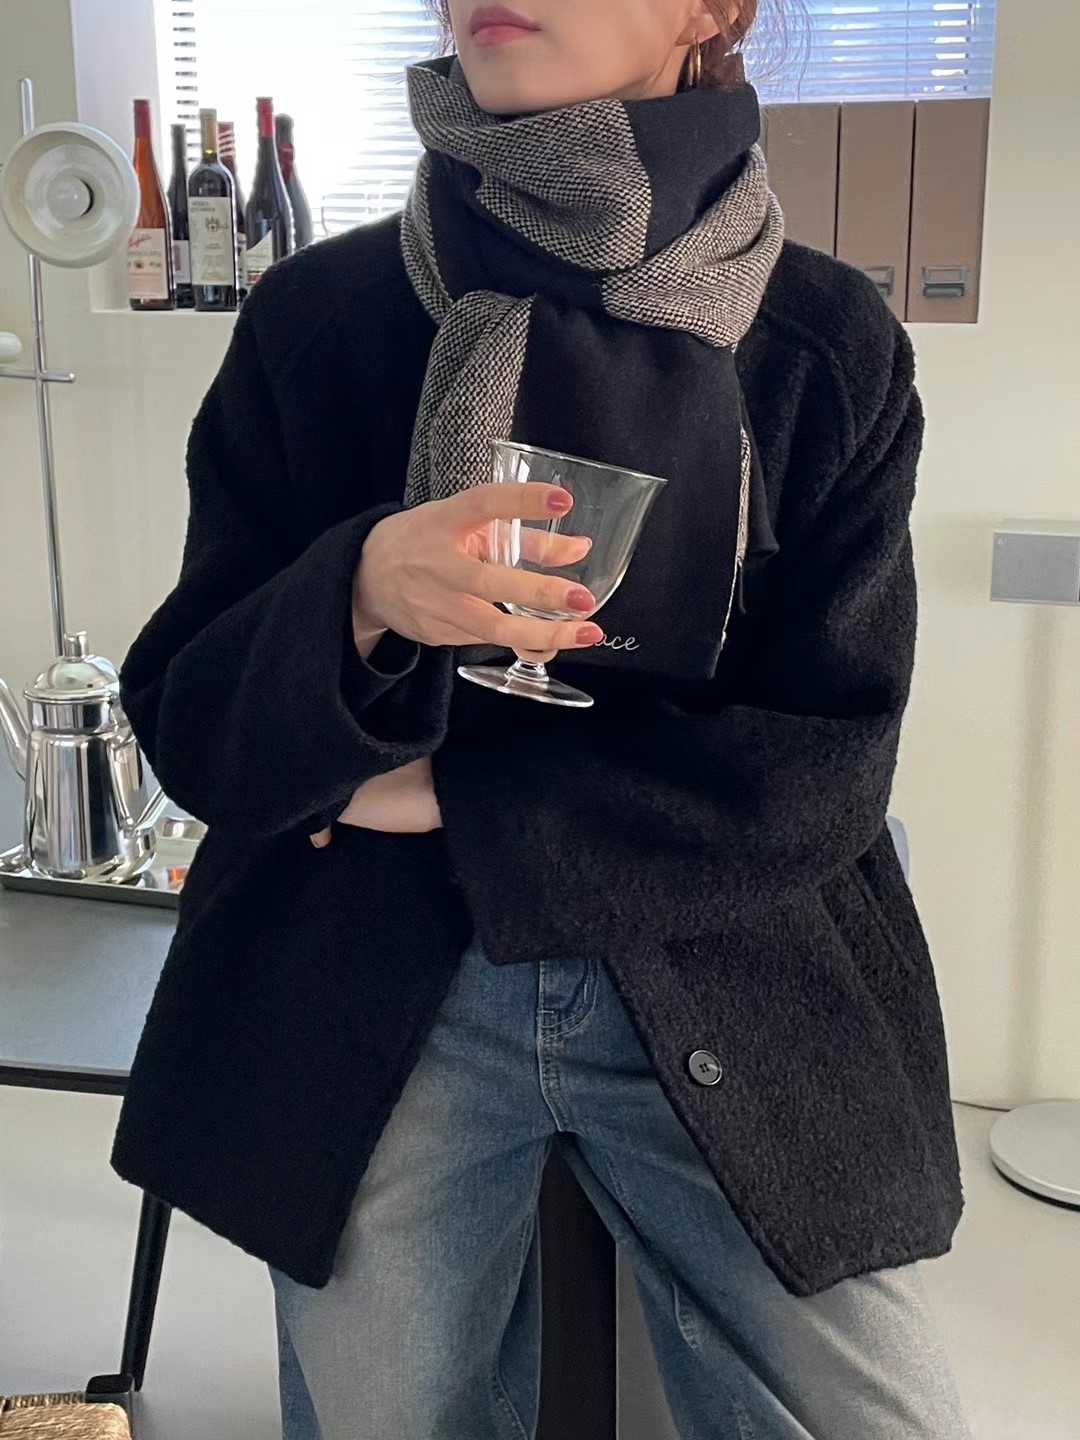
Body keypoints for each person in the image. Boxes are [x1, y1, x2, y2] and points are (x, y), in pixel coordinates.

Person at [111, 2, 973, 1436]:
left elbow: (822, 767)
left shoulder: (822, 344)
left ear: (711, 10)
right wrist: (362, 590)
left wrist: (453, 802)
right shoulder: (323, 322)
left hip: (728, 963)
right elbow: (194, 725)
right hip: (371, 978)